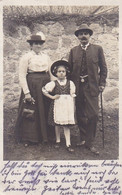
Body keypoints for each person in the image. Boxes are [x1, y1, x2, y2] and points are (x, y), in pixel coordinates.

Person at [68, 24, 107, 155]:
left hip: (92, 87)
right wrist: (69, 87)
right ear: (77, 37)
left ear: (89, 36)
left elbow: (103, 68)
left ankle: (90, 141)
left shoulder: (97, 49)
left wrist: (102, 83)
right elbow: (69, 70)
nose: (83, 36)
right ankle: (84, 138)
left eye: (86, 33)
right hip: (78, 87)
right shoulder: (73, 51)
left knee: (93, 114)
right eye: (80, 34)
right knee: (80, 114)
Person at [15, 32, 51, 146]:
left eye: (40, 44)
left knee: (44, 109)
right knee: (30, 111)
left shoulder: (46, 56)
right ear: (31, 45)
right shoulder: (26, 57)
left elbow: (51, 71)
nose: (38, 46)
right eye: (36, 43)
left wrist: (53, 85)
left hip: (44, 84)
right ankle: (28, 137)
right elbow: (22, 75)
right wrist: (27, 93)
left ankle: (44, 136)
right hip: (32, 85)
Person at [42, 60, 76, 152]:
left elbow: (73, 95)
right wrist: (52, 97)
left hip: (67, 106)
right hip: (57, 105)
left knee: (66, 125)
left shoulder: (70, 83)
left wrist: (73, 107)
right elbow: (44, 90)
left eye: (63, 71)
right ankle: (58, 140)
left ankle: (68, 143)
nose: (61, 73)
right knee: (57, 123)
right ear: (56, 73)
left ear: (66, 73)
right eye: (59, 72)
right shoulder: (54, 83)